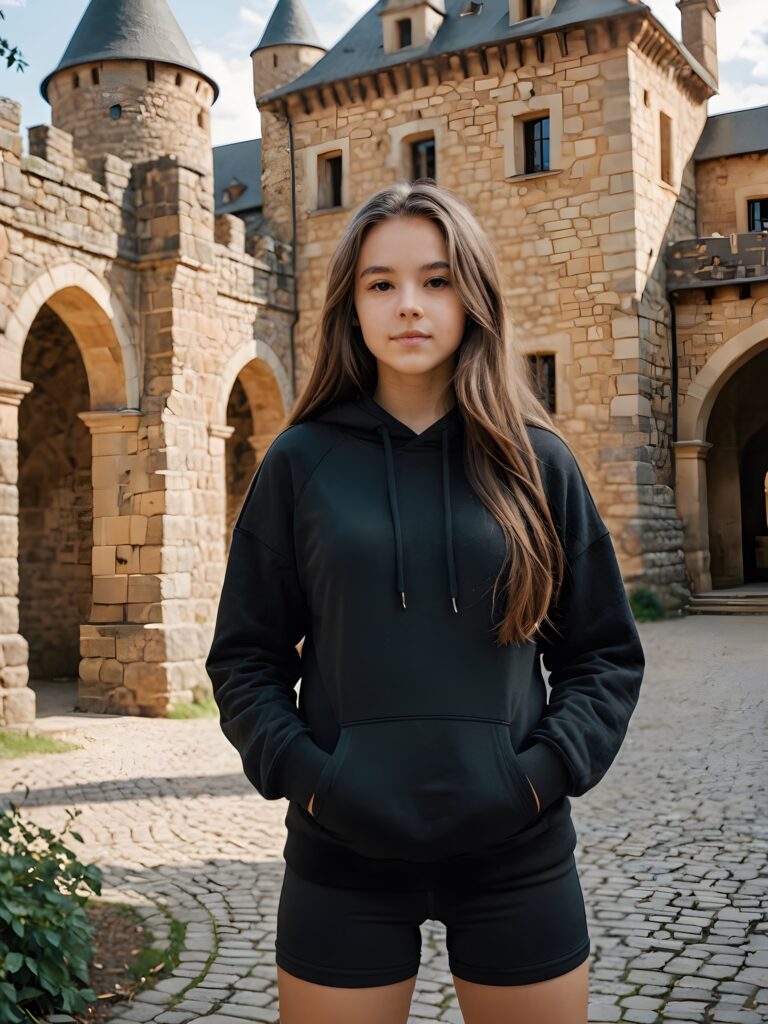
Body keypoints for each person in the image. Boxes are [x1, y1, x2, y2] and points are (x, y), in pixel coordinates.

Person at [205, 180, 646, 1024]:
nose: (409, 305)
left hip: (518, 849)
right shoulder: (300, 462)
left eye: (436, 280)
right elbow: (245, 658)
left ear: (472, 295)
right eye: (382, 283)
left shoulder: (538, 463)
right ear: (353, 304)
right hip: (342, 852)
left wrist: (536, 779)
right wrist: (315, 783)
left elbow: (603, 654)